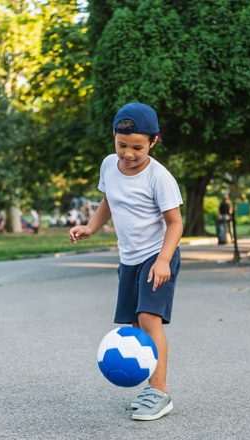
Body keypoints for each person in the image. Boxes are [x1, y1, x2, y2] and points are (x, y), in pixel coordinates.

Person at [69, 102, 183, 421]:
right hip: (129, 258)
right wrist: (91, 227)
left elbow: (175, 223)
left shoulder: (159, 177)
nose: (128, 154)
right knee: (134, 325)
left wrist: (163, 260)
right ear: (114, 138)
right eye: (122, 145)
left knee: (148, 319)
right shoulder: (109, 165)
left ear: (153, 142)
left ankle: (160, 393)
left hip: (158, 254)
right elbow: (108, 199)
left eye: (137, 147)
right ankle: (149, 388)